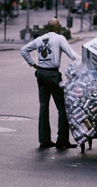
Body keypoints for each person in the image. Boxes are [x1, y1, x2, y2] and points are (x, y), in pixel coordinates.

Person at [21, 18, 80, 149]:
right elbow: (71, 54)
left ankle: (44, 140)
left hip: (41, 74)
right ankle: (62, 140)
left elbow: (24, 50)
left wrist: (33, 64)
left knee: (44, 107)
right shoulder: (59, 38)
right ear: (58, 27)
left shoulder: (40, 39)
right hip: (53, 75)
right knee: (62, 107)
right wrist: (85, 62)